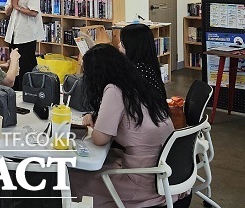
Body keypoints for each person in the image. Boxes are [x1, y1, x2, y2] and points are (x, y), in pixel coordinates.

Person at [71, 44, 175, 208]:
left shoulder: (114, 90)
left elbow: (99, 139)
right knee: (107, 157)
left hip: (142, 182)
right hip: (165, 175)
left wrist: (92, 127)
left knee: (71, 175)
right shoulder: (136, 83)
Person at [3, 0, 44, 90]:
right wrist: (11, 3)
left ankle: (28, 91)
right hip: (13, 35)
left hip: (26, 35)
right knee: (14, 65)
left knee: (26, 66)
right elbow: (7, 12)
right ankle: (14, 91)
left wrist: (17, 6)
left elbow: (34, 12)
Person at [119, 23, 167, 97]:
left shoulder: (139, 71)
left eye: (122, 42)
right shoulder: (148, 65)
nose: (119, 45)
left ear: (132, 46)